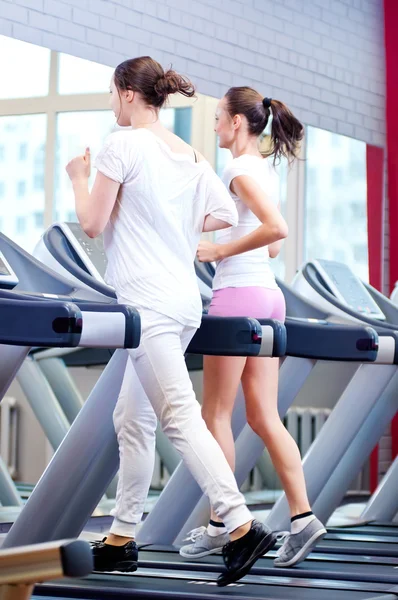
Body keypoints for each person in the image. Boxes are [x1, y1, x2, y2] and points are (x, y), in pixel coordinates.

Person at [65, 57, 276, 586]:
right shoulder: (189, 153)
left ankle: (241, 525)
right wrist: (168, 220)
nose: (112, 104)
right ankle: (121, 538)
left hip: (150, 305)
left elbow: (91, 222)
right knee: (131, 418)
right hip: (181, 302)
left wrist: (79, 177)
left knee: (179, 417)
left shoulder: (123, 145)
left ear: (126, 94)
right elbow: (223, 216)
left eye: (113, 95)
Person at [179, 87, 327, 568]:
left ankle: (224, 525)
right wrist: (236, 237)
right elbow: (271, 247)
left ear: (238, 123)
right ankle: (303, 519)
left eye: (219, 118)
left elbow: (277, 230)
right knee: (263, 416)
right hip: (268, 297)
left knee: (215, 415)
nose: (217, 125)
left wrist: (216, 250)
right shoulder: (260, 170)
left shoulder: (238, 169)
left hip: (237, 298)